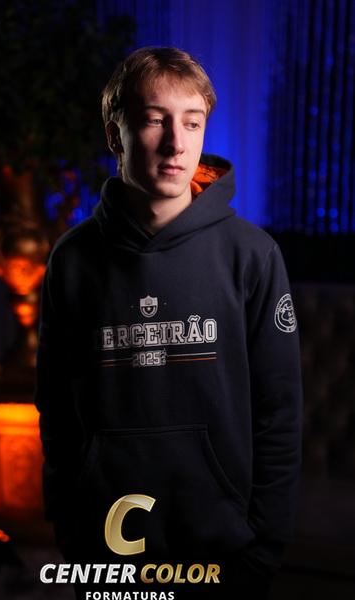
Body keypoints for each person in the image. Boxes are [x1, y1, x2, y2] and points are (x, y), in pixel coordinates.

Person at [34, 46, 303, 599]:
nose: (176, 143)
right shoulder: (73, 260)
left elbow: (279, 410)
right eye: (155, 120)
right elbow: (56, 407)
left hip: (226, 557)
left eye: (192, 122)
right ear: (116, 136)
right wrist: (70, 529)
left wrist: (264, 546)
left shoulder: (252, 255)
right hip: (108, 553)